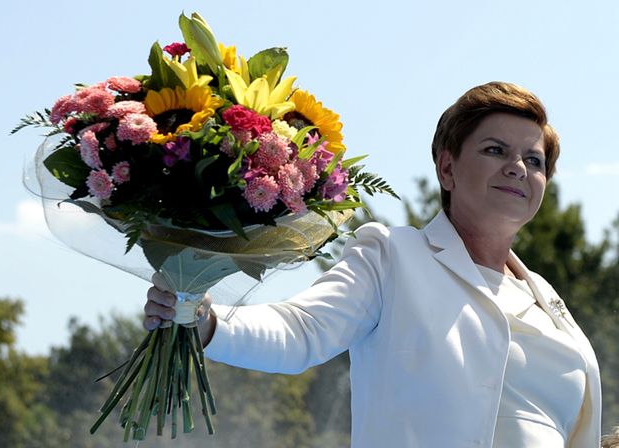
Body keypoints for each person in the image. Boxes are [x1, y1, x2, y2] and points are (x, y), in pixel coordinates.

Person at [144, 81, 602, 447]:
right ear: (447, 169)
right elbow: (302, 329)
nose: (518, 167)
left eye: (534, 159)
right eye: (495, 150)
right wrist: (205, 322)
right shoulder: (393, 256)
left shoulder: (547, 298)